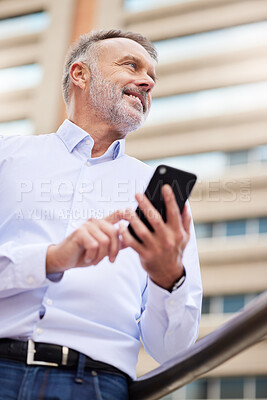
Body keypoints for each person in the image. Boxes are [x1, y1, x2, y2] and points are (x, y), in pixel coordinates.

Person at [0, 30, 202, 399]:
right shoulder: (6, 157)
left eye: (151, 78)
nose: (146, 82)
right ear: (80, 74)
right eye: (131, 65)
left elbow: (172, 351)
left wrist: (167, 277)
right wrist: (50, 259)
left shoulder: (163, 199)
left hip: (95, 385)